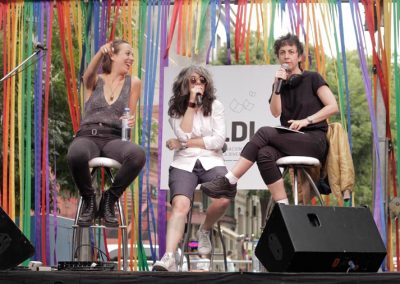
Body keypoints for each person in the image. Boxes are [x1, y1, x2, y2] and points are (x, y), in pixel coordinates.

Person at [201, 33, 338, 205]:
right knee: (263, 153)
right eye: (282, 52)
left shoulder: (312, 78)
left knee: (264, 132)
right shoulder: (280, 84)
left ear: (300, 56)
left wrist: (306, 121)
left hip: (313, 140)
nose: (286, 56)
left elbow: (333, 106)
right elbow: (275, 112)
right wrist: (277, 86)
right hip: (291, 139)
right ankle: (283, 206)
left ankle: (229, 181)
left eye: (291, 51)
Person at [152, 65, 236, 272]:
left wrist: (183, 143)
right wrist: (190, 104)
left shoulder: (215, 106)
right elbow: (183, 134)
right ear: (185, 83)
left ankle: (204, 229)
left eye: (202, 81)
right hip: (183, 163)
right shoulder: (175, 109)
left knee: (224, 196)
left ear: (207, 85)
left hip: (212, 161)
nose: (198, 84)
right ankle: (170, 256)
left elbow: (217, 141)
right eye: (193, 80)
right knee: (180, 206)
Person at [67, 39, 146, 227]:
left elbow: (129, 116)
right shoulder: (95, 80)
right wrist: (99, 54)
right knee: (76, 153)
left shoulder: (133, 82)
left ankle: (110, 199)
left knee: (137, 155)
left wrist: (131, 122)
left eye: (132, 55)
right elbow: (87, 76)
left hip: (114, 138)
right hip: (88, 135)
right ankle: (89, 200)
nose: (131, 58)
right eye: (127, 53)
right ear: (112, 54)